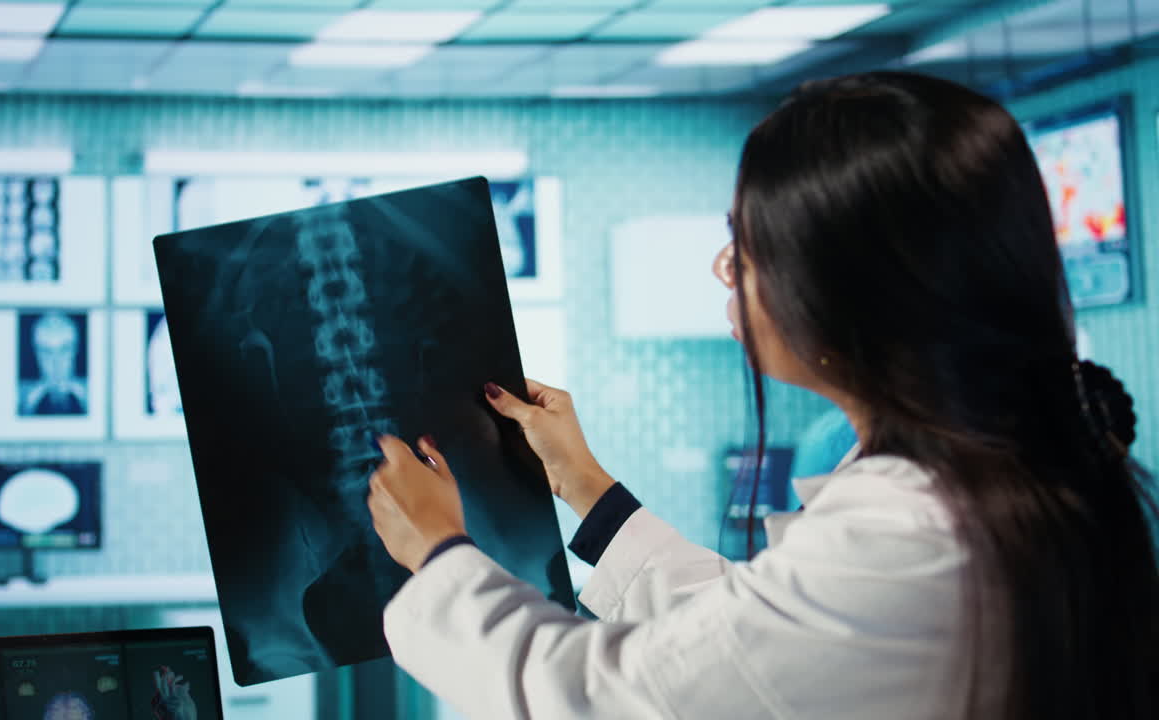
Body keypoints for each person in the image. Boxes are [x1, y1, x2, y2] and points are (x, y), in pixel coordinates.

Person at [365, 71, 1159, 719]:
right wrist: (588, 489)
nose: (724, 268)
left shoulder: (908, 533)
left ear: (850, 292)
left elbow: (603, 698)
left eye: (746, 246)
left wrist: (439, 555)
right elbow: (757, 633)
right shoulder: (1005, 484)